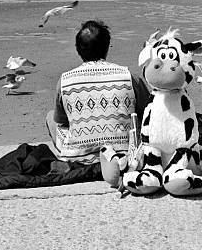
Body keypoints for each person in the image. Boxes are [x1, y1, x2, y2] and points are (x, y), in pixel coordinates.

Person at [46, 20, 151, 165]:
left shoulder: (65, 81)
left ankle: (76, 150)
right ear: (107, 47)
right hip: (125, 155)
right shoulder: (129, 77)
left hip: (80, 159)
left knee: (51, 117)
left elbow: (62, 120)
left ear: (78, 49)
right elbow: (147, 112)